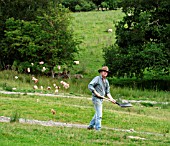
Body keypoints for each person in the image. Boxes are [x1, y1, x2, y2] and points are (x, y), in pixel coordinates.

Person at [87, 66, 116, 131]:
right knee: (99, 114)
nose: (105, 73)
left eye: (106, 72)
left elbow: (107, 92)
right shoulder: (97, 78)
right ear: (101, 72)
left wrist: (111, 99)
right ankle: (98, 129)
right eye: (104, 71)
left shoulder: (106, 81)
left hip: (101, 99)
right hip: (96, 98)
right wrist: (95, 92)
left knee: (97, 113)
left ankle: (90, 126)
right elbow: (90, 85)